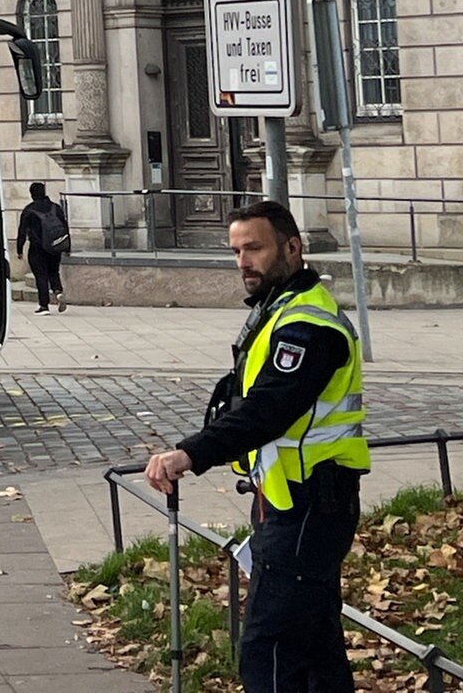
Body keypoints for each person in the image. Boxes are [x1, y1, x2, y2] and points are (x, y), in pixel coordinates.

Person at [144, 201, 368, 693]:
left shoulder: (308, 325)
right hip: (289, 500)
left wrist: (189, 454)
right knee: (315, 646)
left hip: (310, 505)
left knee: (269, 651)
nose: (243, 261)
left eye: (254, 248)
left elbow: (267, 409)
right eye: (236, 250)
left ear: (292, 247)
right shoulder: (280, 309)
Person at [14, 182, 69, 314]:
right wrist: (67, 247)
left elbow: (22, 231)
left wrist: (19, 249)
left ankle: (44, 306)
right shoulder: (55, 208)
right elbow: (64, 226)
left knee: (41, 276)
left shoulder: (29, 210)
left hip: (37, 248)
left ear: (32, 194)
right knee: (53, 271)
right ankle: (58, 291)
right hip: (55, 246)